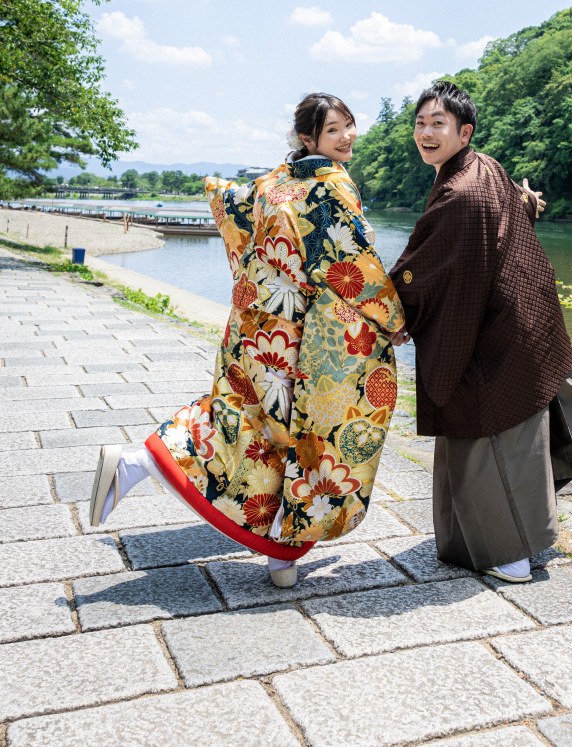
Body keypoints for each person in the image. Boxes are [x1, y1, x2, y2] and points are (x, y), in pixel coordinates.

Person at [89, 93, 407, 589]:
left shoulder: (273, 181)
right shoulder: (331, 184)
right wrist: (391, 316)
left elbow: (232, 208)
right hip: (300, 336)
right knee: (305, 434)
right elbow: (351, 261)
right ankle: (282, 550)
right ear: (309, 138)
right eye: (333, 131)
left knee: (245, 420)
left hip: (254, 325)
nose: (346, 137)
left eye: (349, 126)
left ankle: (140, 466)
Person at [390, 80, 572, 583]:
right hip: (526, 301)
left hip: (491, 324)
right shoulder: (484, 165)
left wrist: (394, 310)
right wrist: (531, 204)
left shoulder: (458, 192)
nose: (425, 133)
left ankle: (508, 553)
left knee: (491, 426)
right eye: (421, 123)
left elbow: (421, 268)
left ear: (464, 131)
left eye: (438, 124)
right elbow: (517, 205)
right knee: (555, 366)